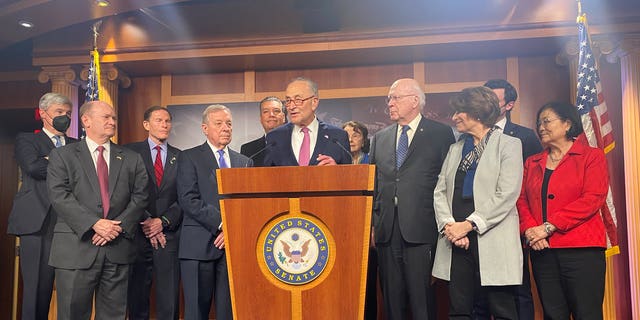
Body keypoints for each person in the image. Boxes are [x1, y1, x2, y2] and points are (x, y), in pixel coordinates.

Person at [47, 100, 149, 319]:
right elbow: (59, 196)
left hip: (118, 248)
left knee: (115, 315)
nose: (112, 122)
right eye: (106, 117)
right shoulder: (62, 155)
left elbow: (141, 197)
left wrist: (115, 228)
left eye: (113, 118)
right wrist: (95, 224)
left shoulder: (132, 158)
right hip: (75, 250)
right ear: (86, 121)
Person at [431, 86, 523, 319]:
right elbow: (440, 191)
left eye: (460, 111)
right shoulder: (455, 149)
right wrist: (450, 226)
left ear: (478, 112)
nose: (454, 118)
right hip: (457, 238)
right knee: (459, 310)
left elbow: (506, 195)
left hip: (491, 233)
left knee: (501, 309)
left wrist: (469, 224)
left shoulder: (509, 145)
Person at [369, 78, 455, 319]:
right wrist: (375, 224)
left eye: (395, 97)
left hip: (422, 229)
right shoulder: (381, 137)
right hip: (387, 230)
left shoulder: (440, 133)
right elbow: (375, 185)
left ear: (414, 101)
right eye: (389, 98)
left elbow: (448, 182)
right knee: (392, 301)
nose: (390, 103)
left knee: (421, 302)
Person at [517, 101, 609, 319]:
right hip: (542, 251)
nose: (541, 127)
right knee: (552, 313)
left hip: (582, 251)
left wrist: (548, 227)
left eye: (547, 121)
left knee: (587, 313)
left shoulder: (591, 156)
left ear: (567, 124)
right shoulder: (532, 162)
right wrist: (531, 231)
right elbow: (521, 200)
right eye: (539, 122)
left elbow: (593, 198)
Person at [177, 105, 252, 320]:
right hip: (198, 247)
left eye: (229, 123)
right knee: (196, 312)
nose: (225, 128)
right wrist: (223, 225)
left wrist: (232, 231)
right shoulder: (188, 157)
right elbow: (188, 199)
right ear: (205, 128)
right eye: (218, 123)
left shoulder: (244, 162)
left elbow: (246, 204)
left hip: (232, 248)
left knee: (229, 312)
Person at [7, 93, 77, 320]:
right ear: (44, 114)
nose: (64, 117)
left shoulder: (78, 145)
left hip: (72, 224)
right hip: (38, 223)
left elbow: (83, 177)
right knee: (36, 290)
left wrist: (49, 160)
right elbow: (34, 168)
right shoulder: (27, 139)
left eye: (68, 113)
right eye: (59, 112)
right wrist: (65, 164)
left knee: (74, 292)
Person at [476, 79, 542, 320]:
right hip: (479, 223)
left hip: (514, 221)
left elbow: (534, 184)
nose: (487, 104)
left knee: (518, 285)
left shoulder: (524, 136)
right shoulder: (469, 138)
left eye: (494, 99)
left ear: (509, 104)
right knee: (481, 290)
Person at [125, 106, 182, 320]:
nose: (165, 125)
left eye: (167, 121)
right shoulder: (129, 153)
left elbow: (184, 197)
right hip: (137, 234)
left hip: (170, 235)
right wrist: (147, 220)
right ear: (146, 125)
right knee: (137, 296)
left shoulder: (181, 156)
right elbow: (125, 191)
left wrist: (163, 221)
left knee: (169, 298)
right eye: (159, 120)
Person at [263, 77, 351, 166]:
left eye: (298, 100)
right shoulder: (275, 137)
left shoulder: (337, 137)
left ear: (314, 102)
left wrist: (337, 171)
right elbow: (266, 176)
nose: (291, 106)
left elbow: (349, 176)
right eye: (288, 101)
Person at [342, 120, 377, 319]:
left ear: (364, 140)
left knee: (367, 283)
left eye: (356, 135)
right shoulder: (337, 163)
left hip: (367, 231)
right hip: (344, 231)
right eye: (346, 135)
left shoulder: (371, 162)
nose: (351, 139)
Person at [240, 96, 286, 166]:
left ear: (283, 118)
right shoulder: (248, 150)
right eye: (266, 112)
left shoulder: (296, 145)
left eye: (276, 111)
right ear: (261, 118)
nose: (271, 115)